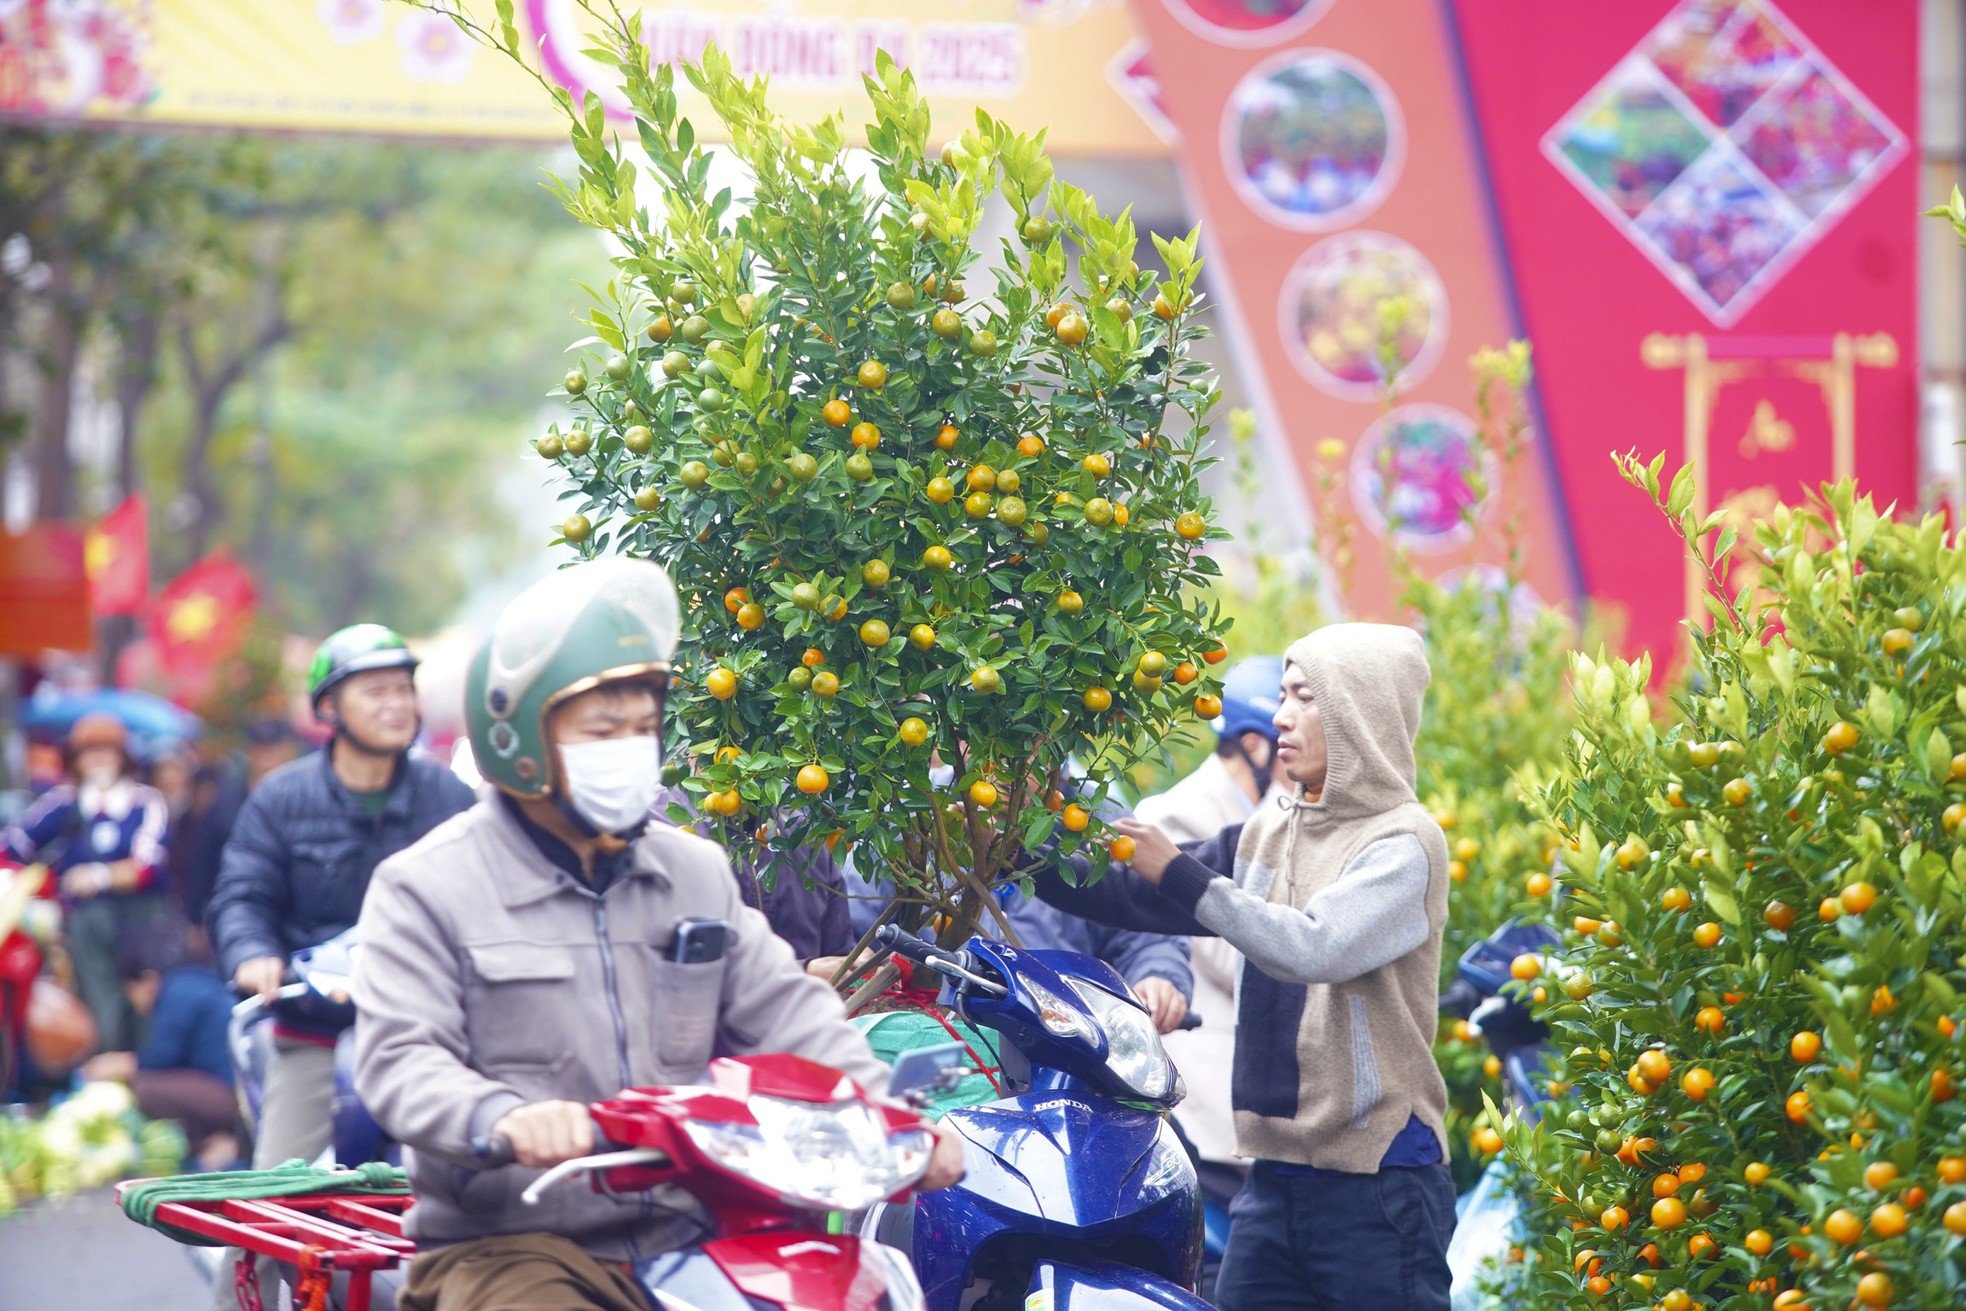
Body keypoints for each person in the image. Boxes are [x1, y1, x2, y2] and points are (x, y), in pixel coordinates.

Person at [351, 558, 962, 1311]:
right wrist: (500, 1117)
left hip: (704, 1221)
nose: (630, 747)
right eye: (603, 729)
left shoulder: (693, 870)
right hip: (513, 1244)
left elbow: (791, 1013)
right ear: (519, 739)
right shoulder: (428, 884)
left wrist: (896, 1117)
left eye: (643, 729)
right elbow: (400, 1059)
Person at [1032, 624, 1454, 1311]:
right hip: (1276, 1179)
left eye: (1304, 697)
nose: (1280, 716)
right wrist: (1015, 852)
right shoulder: (1272, 828)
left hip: (1378, 1183)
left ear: (1360, 711)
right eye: (1283, 695)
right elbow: (1135, 893)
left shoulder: (1403, 844)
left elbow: (1310, 947)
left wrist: (1177, 867)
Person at [205, 624, 474, 1304]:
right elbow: (241, 894)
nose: (396, 704)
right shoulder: (281, 796)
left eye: (404, 689)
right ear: (328, 708)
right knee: (271, 1199)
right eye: (375, 690)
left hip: (427, 1027)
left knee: (475, 1183)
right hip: (314, 1021)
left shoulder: (449, 797)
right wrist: (253, 954)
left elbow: (493, 889)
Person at [1136, 656, 1284, 1168]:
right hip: (1211, 1076)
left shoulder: (1266, 814)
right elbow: (1229, 956)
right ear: (1254, 745)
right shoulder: (1177, 817)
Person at [1, 713, 171, 1051]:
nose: (98, 761)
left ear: (123, 758)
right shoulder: (64, 802)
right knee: (90, 1002)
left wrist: (100, 876)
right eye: (89, 753)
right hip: (80, 924)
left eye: (106, 752)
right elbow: (14, 844)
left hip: (138, 924)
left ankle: (134, 1072)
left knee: (140, 1004)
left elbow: (148, 865)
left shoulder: (145, 802)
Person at [81, 925, 240, 1170]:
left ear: (147, 981)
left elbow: (160, 1059)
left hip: (233, 1097)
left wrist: (116, 1065)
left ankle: (222, 1142)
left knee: (146, 1087)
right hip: (237, 1091)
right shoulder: (193, 980)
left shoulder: (176, 994)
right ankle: (225, 1140)